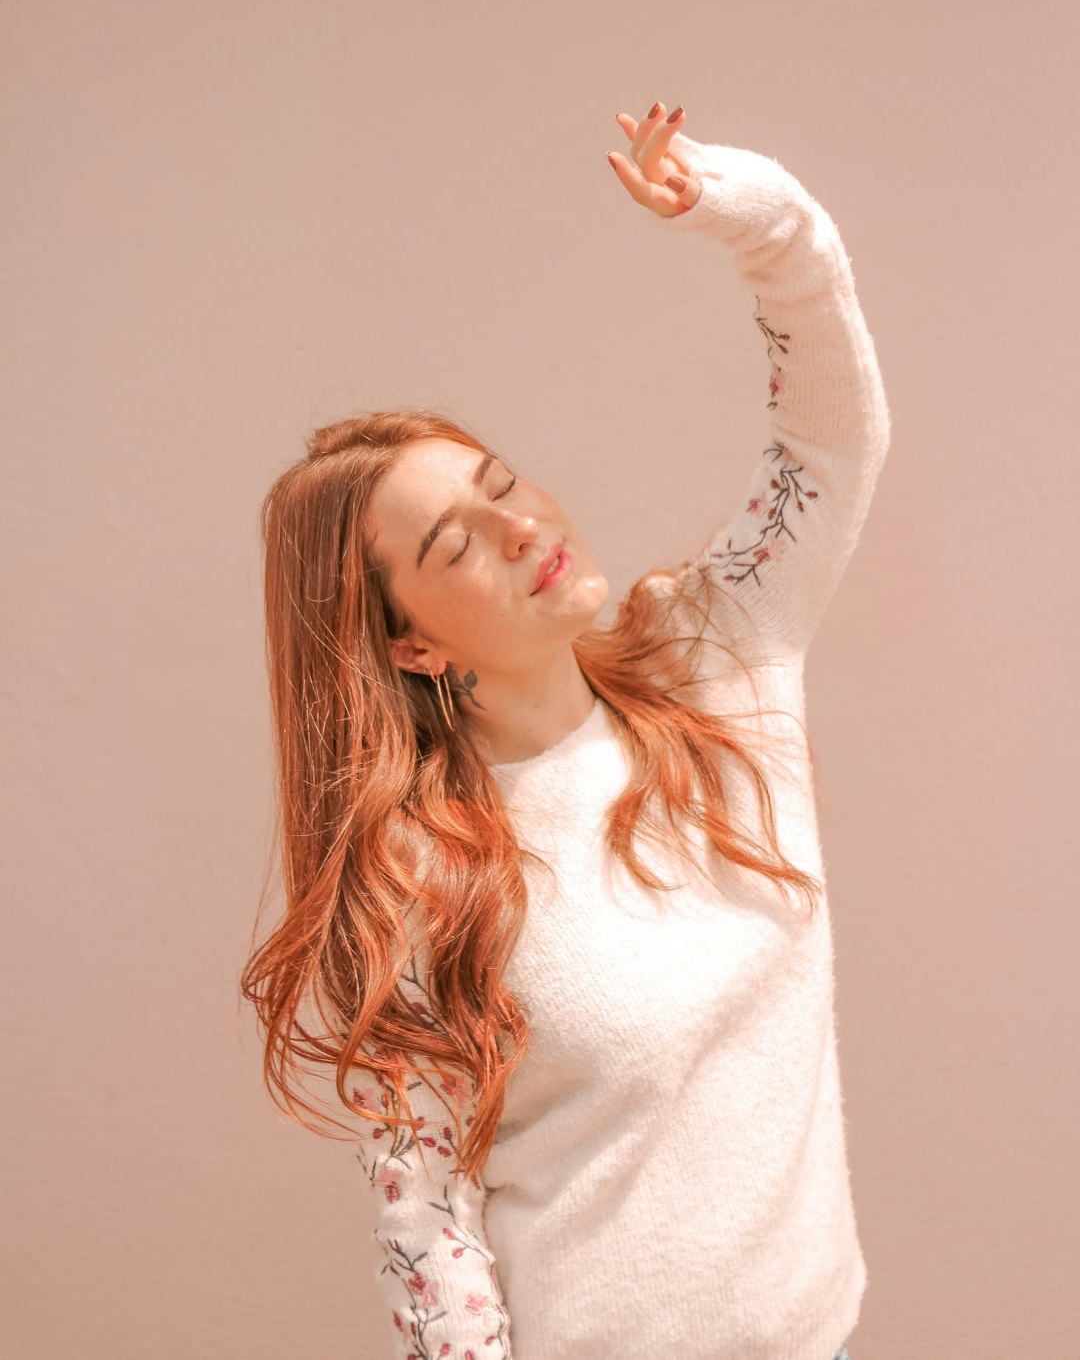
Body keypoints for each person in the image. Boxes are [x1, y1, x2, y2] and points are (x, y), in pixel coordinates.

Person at [240, 102, 891, 1360]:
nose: (522, 527)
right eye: (453, 543)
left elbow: (830, 435)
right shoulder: (419, 871)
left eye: (500, 485)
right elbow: (429, 1236)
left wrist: (743, 215)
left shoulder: (712, 657)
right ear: (409, 643)